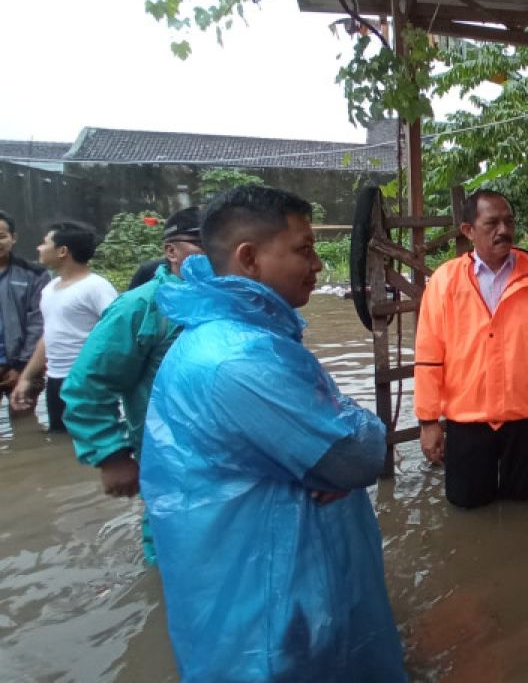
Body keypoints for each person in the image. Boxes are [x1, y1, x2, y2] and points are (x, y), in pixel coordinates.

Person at [139, 186, 406, 682]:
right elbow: (358, 455)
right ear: (250, 258)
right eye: (304, 249)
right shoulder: (240, 358)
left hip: (264, 576)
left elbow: (339, 443)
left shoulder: (237, 334)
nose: (319, 265)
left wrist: (335, 439)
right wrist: (354, 434)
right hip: (270, 604)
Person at [414, 189, 528, 509]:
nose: (503, 230)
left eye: (508, 221)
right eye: (492, 223)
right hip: (467, 420)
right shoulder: (445, 281)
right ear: (468, 231)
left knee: (525, 505)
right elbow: (429, 356)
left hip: (526, 418)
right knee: (467, 505)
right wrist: (428, 421)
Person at [60, 207, 204, 564]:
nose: (218, 254)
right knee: (173, 549)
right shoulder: (140, 308)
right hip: (165, 457)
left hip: (222, 457)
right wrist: (112, 455)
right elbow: (88, 384)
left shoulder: (230, 300)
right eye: (203, 245)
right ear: (171, 252)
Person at [13, 222, 117, 432]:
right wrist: (25, 377)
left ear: (62, 251)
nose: (39, 248)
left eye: (45, 243)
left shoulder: (96, 287)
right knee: (60, 440)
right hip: (55, 380)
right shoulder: (50, 289)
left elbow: (117, 332)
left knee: (95, 441)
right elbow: (48, 336)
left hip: (87, 381)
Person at [0, 210, 51, 437]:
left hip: (24, 367)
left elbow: (39, 323)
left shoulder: (34, 274)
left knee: (25, 430)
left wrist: (21, 366)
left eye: (1, 236)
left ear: (13, 237)